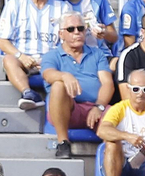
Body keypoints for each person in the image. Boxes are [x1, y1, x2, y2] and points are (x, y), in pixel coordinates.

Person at [41, 11, 113, 158]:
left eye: (81, 29)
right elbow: (48, 74)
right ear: (61, 34)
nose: (77, 33)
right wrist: (64, 76)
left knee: (115, 119)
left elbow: (107, 84)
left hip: (95, 107)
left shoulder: (96, 54)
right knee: (58, 85)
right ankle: (63, 143)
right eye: (71, 29)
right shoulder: (51, 56)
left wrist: (98, 107)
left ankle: (113, 158)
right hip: (69, 109)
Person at [0, 0, 62, 111]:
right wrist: (21, 56)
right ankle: (28, 93)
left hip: (51, 60)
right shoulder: (14, 5)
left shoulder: (63, 7)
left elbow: (67, 42)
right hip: (23, 59)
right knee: (9, 59)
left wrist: (50, 59)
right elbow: (1, 40)